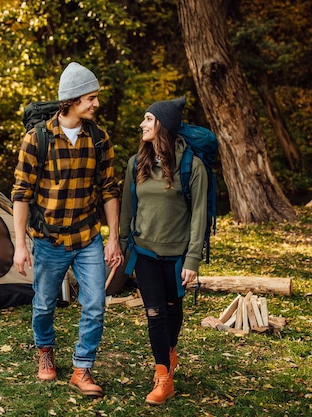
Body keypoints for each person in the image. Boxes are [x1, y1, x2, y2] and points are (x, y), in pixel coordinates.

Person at [11, 62, 123, 398]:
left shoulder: (99, 139)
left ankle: (82, 367)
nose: (96, 104)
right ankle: (45, 351)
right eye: (91, 97)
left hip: (88, 237)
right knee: (44, 304)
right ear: (72, 100)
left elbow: (109, 190)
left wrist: (112, 237)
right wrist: (20, 245)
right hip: (49, 241)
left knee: (95, 303)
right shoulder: (37, 139)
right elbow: (21, 194)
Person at [119, 97, 208, 405]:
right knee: (154, 312)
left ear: (163, 126)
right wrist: (119, 245)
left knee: (172, 309)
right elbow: (127, 208)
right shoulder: (136, 163)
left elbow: (199, 216)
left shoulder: (192, 167)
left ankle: (170, 353)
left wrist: (193, 259)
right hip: (144, 252)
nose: (142, 124)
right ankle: (163, 378)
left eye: (148, 119)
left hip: (177, 256)